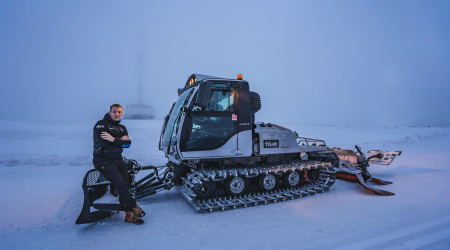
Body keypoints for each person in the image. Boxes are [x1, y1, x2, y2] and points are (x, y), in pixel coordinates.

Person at [93, 104, 146, 224]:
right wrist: (120, 140)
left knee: (126, 185)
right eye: (115, 111)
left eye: (119, 112)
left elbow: (128, 144)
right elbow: (104, 143)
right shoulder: (100, 124)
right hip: (104, 160)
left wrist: (113, 139)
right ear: (110, 112)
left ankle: (129, 215)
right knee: (121, 184)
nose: (117, 114)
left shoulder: (122, 127)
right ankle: (133, 207)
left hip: (118, 159)